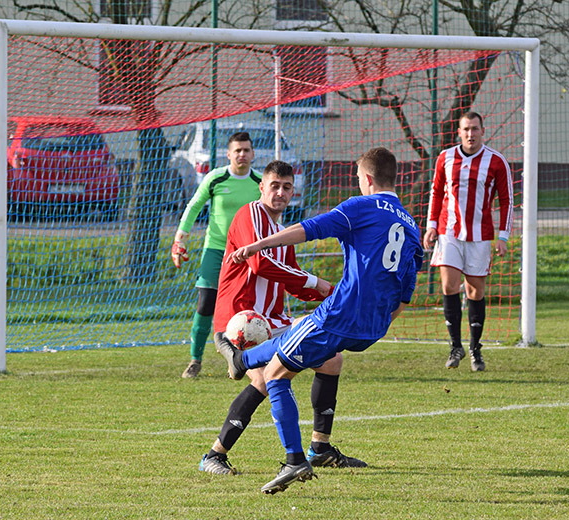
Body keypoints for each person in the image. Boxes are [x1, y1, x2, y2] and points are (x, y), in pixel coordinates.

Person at [217, 147, 423, 494]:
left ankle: (294, 460)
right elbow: (405, 294)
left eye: (359, 179)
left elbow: (308, 229)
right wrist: (377, 321)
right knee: (320, 355)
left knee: (276, 375)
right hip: (372, 328)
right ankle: (243, 362)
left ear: (367, 179)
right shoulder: (410, 224)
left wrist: (257, 246)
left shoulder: (361, 207)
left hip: (339, 315)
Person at [199, 160, 366, 476]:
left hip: (273, 320)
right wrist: (319, 284)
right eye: (274, 186)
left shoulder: (282, 232)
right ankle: (213, 456)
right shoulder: (250, 215)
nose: (280, 192)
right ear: (261, 187)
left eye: (286, 187)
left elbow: (292, 280)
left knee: (332, 361)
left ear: (293, 191)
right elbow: (260, 263)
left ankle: (320, 449)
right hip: (241, 321)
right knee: (264, 378)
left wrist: (334, 294)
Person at [422, 112, 513, 372]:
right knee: (449, 286)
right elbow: (436, 192)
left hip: (480, 236)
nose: (470, 134)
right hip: (448, 232)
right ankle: (455, 346)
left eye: (475, 129)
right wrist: (431, 227)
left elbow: (506, 200)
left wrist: (503, 237)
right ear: (459, 132)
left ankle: (475, 348)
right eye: (466, 129)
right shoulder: (445, 158)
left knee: (475, 292)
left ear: (483, 130)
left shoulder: (496, 161)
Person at [173, 132, 262, 379]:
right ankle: (195, 360)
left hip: (245, 253)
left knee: (243, 309)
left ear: (253, 153)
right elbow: (193, 206)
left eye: (246, 150)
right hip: (215, 250)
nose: (242, 154)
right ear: (228, 154)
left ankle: (240, 359)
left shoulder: (260, 182)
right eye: (237, 150)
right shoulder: (215, 178)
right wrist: (180, 239)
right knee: (205, 305)